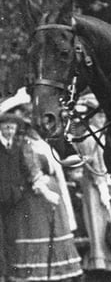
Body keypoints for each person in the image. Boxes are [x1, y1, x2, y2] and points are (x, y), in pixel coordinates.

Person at [8, 108, 82, 282]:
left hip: (53, 192)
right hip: (37, 196)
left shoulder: (44, 143)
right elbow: (32, 171)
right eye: (33, 126)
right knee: (40, 232)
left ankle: (57, 273)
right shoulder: (26, 144)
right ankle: (39, 274)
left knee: (55, 232)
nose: (38, 129)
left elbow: (57, 168)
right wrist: (46, 191)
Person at [68, 93, 111, 273]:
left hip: (108, 184)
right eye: (99, 115)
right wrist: (102, 189)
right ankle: (102, 263)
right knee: (99, 223)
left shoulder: (104, 133)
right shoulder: (89, 136)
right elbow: (95, 164)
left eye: (103, 115)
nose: (102, 118)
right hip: (96, 186)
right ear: (91, 116)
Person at [0, 113, 25, 281]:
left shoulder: (17, 146)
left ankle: (11, 271)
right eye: (6, 127)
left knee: (12, 235)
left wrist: (20, 187)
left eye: (12, 127)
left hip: (14, 198)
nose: (9, 131)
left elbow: (22, 168)